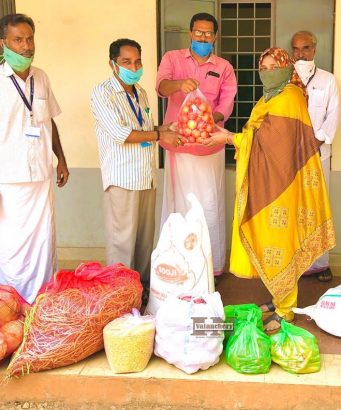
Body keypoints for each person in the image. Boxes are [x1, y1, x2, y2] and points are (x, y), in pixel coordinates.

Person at [202, 47, 336, 332]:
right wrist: (234, 138)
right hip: (270, 180)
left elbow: (274, 144)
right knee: (270, 244)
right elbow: (260, 136)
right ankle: (278, 299)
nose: (267, 71)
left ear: (287, 68)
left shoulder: (288, 98)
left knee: (281, 244)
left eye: (274, 65)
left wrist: (228, 137)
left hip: (284, 185)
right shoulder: (271, 96)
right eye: (263, 67)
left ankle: (286, 309)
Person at [90, 38, 180, 296]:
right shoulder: (102, 92)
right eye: (126, 61)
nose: (134, 66)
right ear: (112, 64)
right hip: (122, 178)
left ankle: (138, 294)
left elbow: (142, 128)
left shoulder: (139, 91)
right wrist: (160, 136)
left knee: (143, 243)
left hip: (145, 176)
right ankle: (118, 298)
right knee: (122, 245)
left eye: (137, 61)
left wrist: (163, 129)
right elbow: (121, 133)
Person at [156, 12, 237, 277]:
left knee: (209, 206)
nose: (203, 38)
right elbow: (161, 87)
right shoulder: (172, 59)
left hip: (209, 145)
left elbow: (226, 103)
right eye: (198, 33)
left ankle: (209, 268)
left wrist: (206, 118)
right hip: (179, 145)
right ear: (190, 34)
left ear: (215, 36)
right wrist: (179, 83)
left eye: (208, 34)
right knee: (178, 206)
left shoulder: (223, 67)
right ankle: (177, 264)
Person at [0, 14, 69, 303]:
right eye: (18, 39)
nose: (26, 46)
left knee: (43, 243)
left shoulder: (41, 77)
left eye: (30, 38)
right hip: (8, 180)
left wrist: (61, 159)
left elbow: (48, 122)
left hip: (41, 175)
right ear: (4, 43)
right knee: (11, 246)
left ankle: (41, 302)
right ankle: (11, 304)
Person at [291, 30, 340, 282]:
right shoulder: (284, 80)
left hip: (319, 155)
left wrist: (315, 141)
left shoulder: (328, 80)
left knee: (319, 208)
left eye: (306, 48)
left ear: (314, 50)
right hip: (290, 159)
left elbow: (333, 115)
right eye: (296, 49)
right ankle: (296, 263)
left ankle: (320, 264)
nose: (301, 54)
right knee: (294, 209)